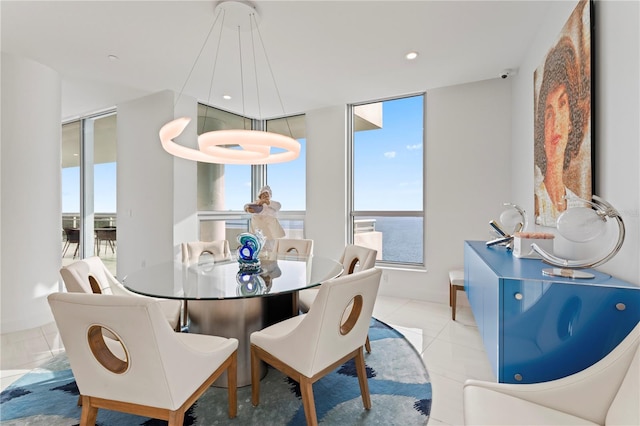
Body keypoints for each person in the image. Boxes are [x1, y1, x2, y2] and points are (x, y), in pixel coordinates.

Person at [534, 36, 589, 227]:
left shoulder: (579, 206)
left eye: (562, 104)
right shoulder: (535, 202)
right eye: (548, 114)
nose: (555, 122)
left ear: (572, 121)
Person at [244, 185, 285, 252]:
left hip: (270, 231)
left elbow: (278, 206)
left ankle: (272, 260)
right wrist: (248, 209)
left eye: (267, 195)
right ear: (260, 196)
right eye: (263, 195)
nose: (265, 197)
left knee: (272, 248)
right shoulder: (256, 203)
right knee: (259, 248)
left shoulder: (272, 204)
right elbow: (246, 206)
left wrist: (267, 202)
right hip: (258, 230)